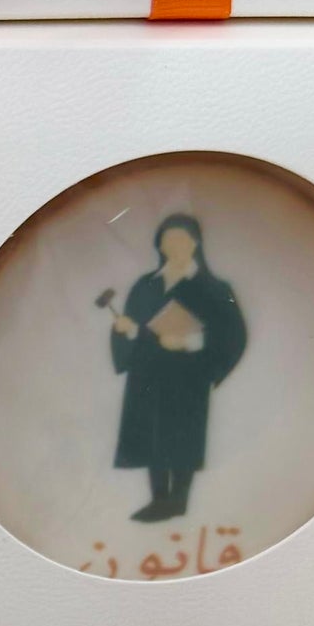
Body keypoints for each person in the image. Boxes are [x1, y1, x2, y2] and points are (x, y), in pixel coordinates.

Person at [106, 212, 248, 526]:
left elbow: (232, 334)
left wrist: (190, 341)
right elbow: (135, 327)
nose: (175, 246)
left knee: (182, 436)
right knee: (152, 435)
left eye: (182, 240)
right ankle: (159, 499)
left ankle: (179, 500)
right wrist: (124, 330)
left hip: (188, 376)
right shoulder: (146, 285)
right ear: (160, 246)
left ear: (196, 243)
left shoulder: (213, 288)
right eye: (168, 241)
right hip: (148, 374)